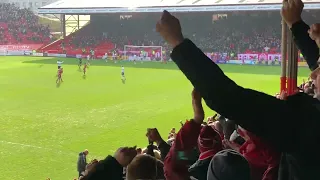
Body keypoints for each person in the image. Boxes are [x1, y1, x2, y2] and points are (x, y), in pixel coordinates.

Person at [156, 9, 320, 180]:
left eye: (319, 67)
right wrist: (298, 26)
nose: (313, 74)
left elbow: (228, 98)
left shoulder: (307, 124)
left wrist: (176, 42)